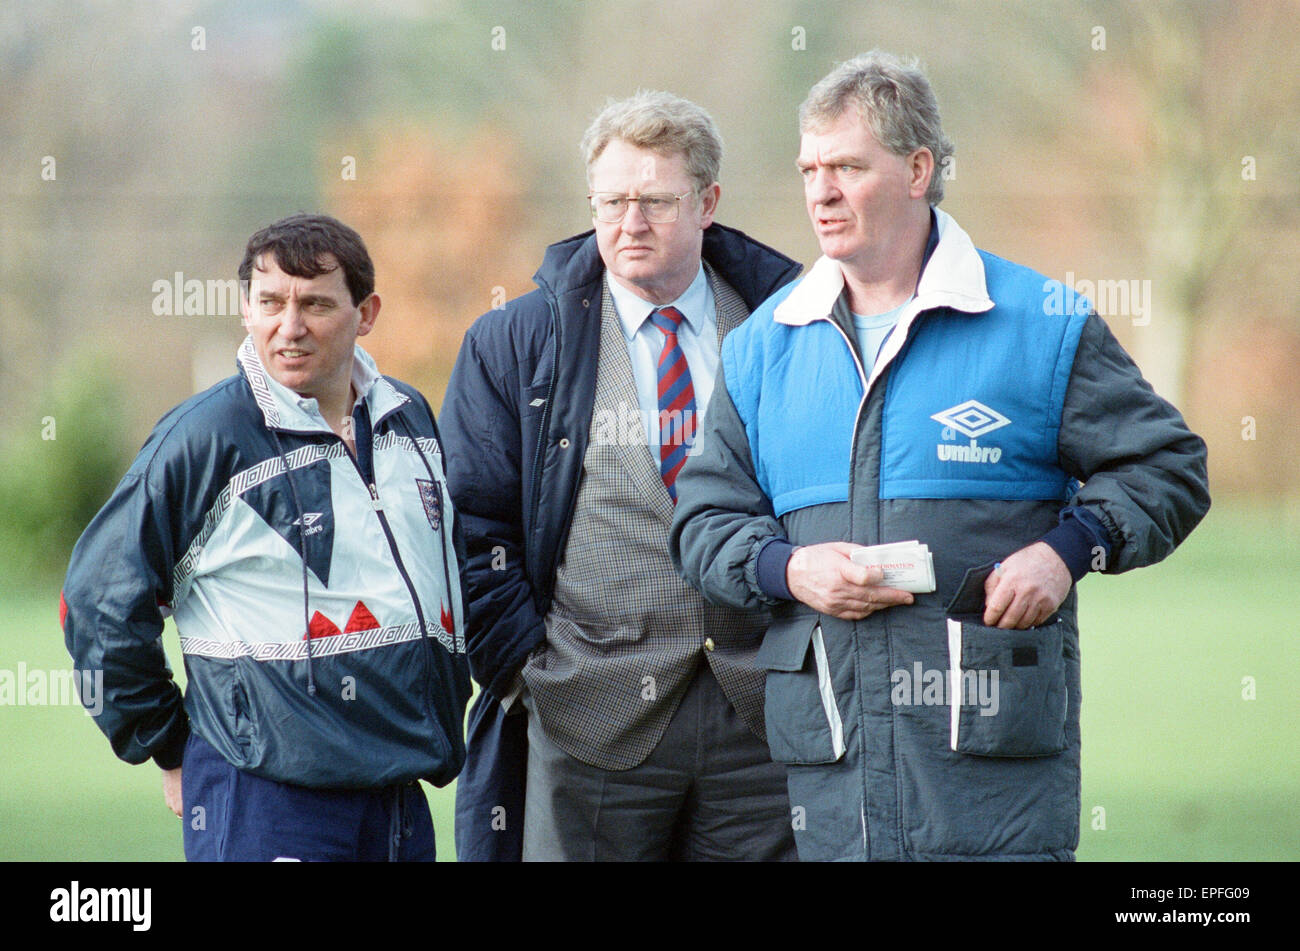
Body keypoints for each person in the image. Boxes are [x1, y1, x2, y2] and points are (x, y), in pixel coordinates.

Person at [669, 51, 1211, 861]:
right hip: (835, 787)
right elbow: (701, 522)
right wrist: (790, 569)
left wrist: (1067, 551)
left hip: (995, 785)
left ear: (918, 169)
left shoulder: (1039, 322)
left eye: (848, 166)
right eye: (809, 168)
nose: (820, 191)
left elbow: (1169, 468)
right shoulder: (761, 349)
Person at [442, 90, 803, 861]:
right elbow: (471, 527)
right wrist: (527, 674)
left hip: (762, 716)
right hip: (588, 713)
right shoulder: (515, 343)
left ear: (708, 202)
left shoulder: (789, 326)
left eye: (655, 202)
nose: (628, 223)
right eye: (611, 201)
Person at [61, 214, 471, 861]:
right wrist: (165, 742)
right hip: (265, 799)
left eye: (314, 303)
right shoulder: (204, 437)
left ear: (366, 312)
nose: (290, 325)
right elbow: (97, 599)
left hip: (397, 792)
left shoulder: (409, 417)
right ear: (246, 309)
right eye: (269, 301)